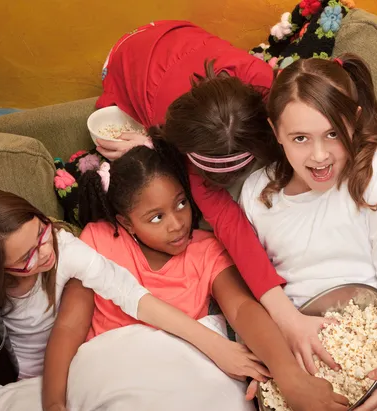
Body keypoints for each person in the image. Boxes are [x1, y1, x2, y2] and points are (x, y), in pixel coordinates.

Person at [93, 19, 334, 377]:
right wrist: (286, 318)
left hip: (179, 34)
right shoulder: (177, 126)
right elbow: (230, 227)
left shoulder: (268, 85)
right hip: (127, 58)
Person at [0, 188, 270, 411]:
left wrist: (217, 347)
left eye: (40, 233)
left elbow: (134, 297)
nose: (43, 252)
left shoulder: (66, 249)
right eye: (25, 259)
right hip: (19, 381)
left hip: (75, 368)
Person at [42, 143, 349, 411]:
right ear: (128, 223)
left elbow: (242, 308)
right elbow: (69, 325)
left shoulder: (206, 249)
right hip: (112, 370)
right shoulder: (100, 241)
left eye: (181, 203)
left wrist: (289, 377)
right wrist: (54, 403)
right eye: (157, 217)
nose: (177, 224)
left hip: (183, 376)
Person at [239, 53, 377, 411]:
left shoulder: (376, 174)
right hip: (295, 359)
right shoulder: (257, 196)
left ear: (354, 121)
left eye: (333, 134)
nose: (320, 156)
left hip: (375, 348)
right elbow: (255, 292)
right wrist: (270, 358)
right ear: (276, 132)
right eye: (300, 138)